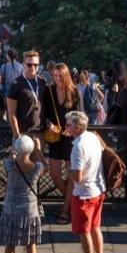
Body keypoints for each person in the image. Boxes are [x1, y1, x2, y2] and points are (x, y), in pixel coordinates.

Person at [65, 110, 105, 253]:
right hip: (98, 189)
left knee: (84, 232)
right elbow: (103, 148)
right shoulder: (93, 137)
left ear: (77, 127)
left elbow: (77, 178)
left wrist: (68, 169)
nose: (66, 127)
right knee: (96, 227)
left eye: (68, 125)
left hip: (83, 194)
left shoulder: (77, 148)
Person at [41, 62, 81, 222]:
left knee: (72, 174)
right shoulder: (49, 90)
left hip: (71, 137)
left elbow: (81, 116)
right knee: (55, 175)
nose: (57, 79)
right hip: (55, 136)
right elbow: (43, 113)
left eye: (60, 76)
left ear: (66, 76)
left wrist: (72, 128)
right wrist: (48, 123)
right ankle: (73, 203)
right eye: (55, 76)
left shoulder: (74, 91)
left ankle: (66, 209)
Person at [0, 134, 44, 253]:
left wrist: (13, 153)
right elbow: (46, 165)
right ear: (30, 150)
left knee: (10, 245)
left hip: (11, 209)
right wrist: (39, 150)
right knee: (31, 245)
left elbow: (10, 159)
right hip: (30, 210)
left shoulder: (9, 165)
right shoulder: (37, 167)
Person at [6, 49, 43, 140]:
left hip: (40, 131)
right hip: (23, 132)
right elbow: (11, 113)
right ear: (23, 64)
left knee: (39, 154)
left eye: (36, 65)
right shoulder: (16, 84)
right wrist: (17, 134)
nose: (33, 67)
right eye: (29, 65)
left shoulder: (42, 81)